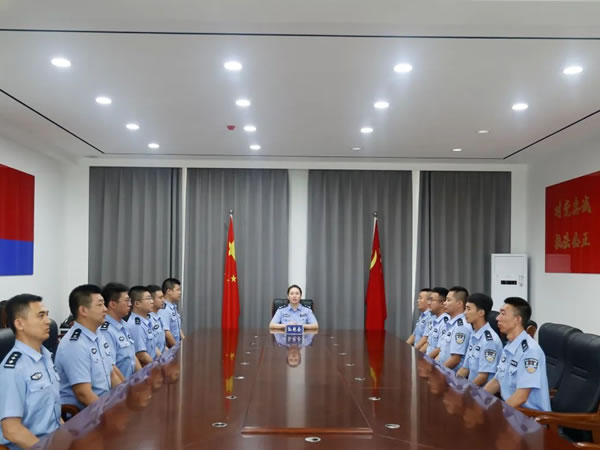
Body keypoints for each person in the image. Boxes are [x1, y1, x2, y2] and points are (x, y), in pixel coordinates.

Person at [0, 294, 61, 449]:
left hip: (55, 440)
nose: (47, 321)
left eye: (47, 314)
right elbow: (11, 430)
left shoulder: (46, 357)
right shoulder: (13, 369)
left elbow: (54, 414)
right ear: (19, 324)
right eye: (40, 316)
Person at [55, 285, 121, 411]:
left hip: (104, 404)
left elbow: (112, 374)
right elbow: (83, 394)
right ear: (83, 310)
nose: (105, 309)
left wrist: (125, 399)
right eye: (100, 305)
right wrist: (110, 414)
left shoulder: (98, 335)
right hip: (85, 413)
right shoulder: (74, 345)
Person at [484, 297, 551, 411]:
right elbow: (496, 382)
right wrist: (477, 401)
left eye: (503, 314)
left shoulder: (530, 351)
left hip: (529, 417)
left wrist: (496, 413)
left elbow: (521, 397)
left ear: (517, 320)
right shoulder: (509, 346)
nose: (497, 318)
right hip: (512, 410)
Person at [457, 293, 504, 386]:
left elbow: (483, 376)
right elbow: (465, 369)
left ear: (481, 313)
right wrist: (454, 385)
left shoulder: (489, 341)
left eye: (468, 309)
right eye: (465, 308)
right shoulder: (474, 334)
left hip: (482, 392)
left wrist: (464, 390)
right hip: (471, 388)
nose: (465, 312)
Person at [99, 283, 140, 380]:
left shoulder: (124, 325)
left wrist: (142, 378)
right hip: (118, 386)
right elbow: (111, 368)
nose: (130, 304)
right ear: (113, 304)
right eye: (126, 300)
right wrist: (125, 386)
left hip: (130, 382)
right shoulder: (106, 331)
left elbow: (132, 357)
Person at [436, 286, 472, 371]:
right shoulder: (451, 324)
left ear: (459, 304)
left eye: (448, 300)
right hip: (444, 371)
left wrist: (437, 372)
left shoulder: (461, 327)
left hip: (452, 376)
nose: (444, 303)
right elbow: (442, 352)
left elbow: (455, 359)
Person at [127, 286, 159, 366]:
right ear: (137, 304)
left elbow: (153, 348)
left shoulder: (146, 321)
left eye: (151, 298)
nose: (152, 302)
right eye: (148, 299)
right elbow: (141, 355)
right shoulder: (136, 325)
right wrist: (159, 367)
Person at [158, 278, 184, 348]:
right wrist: (177, 348)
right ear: (169, 291)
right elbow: (166, 332)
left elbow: (178, 329)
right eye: (177, 290)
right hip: (169, 349)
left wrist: (184, 344)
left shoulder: (172, 307)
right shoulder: (164, 309)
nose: (180, 292)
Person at [424, 287, 449, 356]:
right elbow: (429, 344)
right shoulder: (435, 320)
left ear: (442, 303)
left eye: (432, 300)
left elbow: (439, 349)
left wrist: (426, 359)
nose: (429, 303)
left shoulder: (446, 323)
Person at [147, 285, 166, 354]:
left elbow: (162, 344)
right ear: (151, 300)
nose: (163, 300)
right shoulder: (148, 319)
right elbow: (153, 346)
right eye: (160, 298)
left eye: (163, 297)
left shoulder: (159, 316)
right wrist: (162, 359)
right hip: (155, 359)